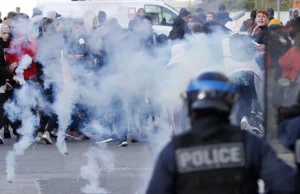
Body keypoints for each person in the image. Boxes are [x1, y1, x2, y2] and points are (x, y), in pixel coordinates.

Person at [146, 71, 296, 194]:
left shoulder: (173, 150)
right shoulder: (250, 144)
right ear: (230, 102)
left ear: (191, 104)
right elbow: (287, 184)